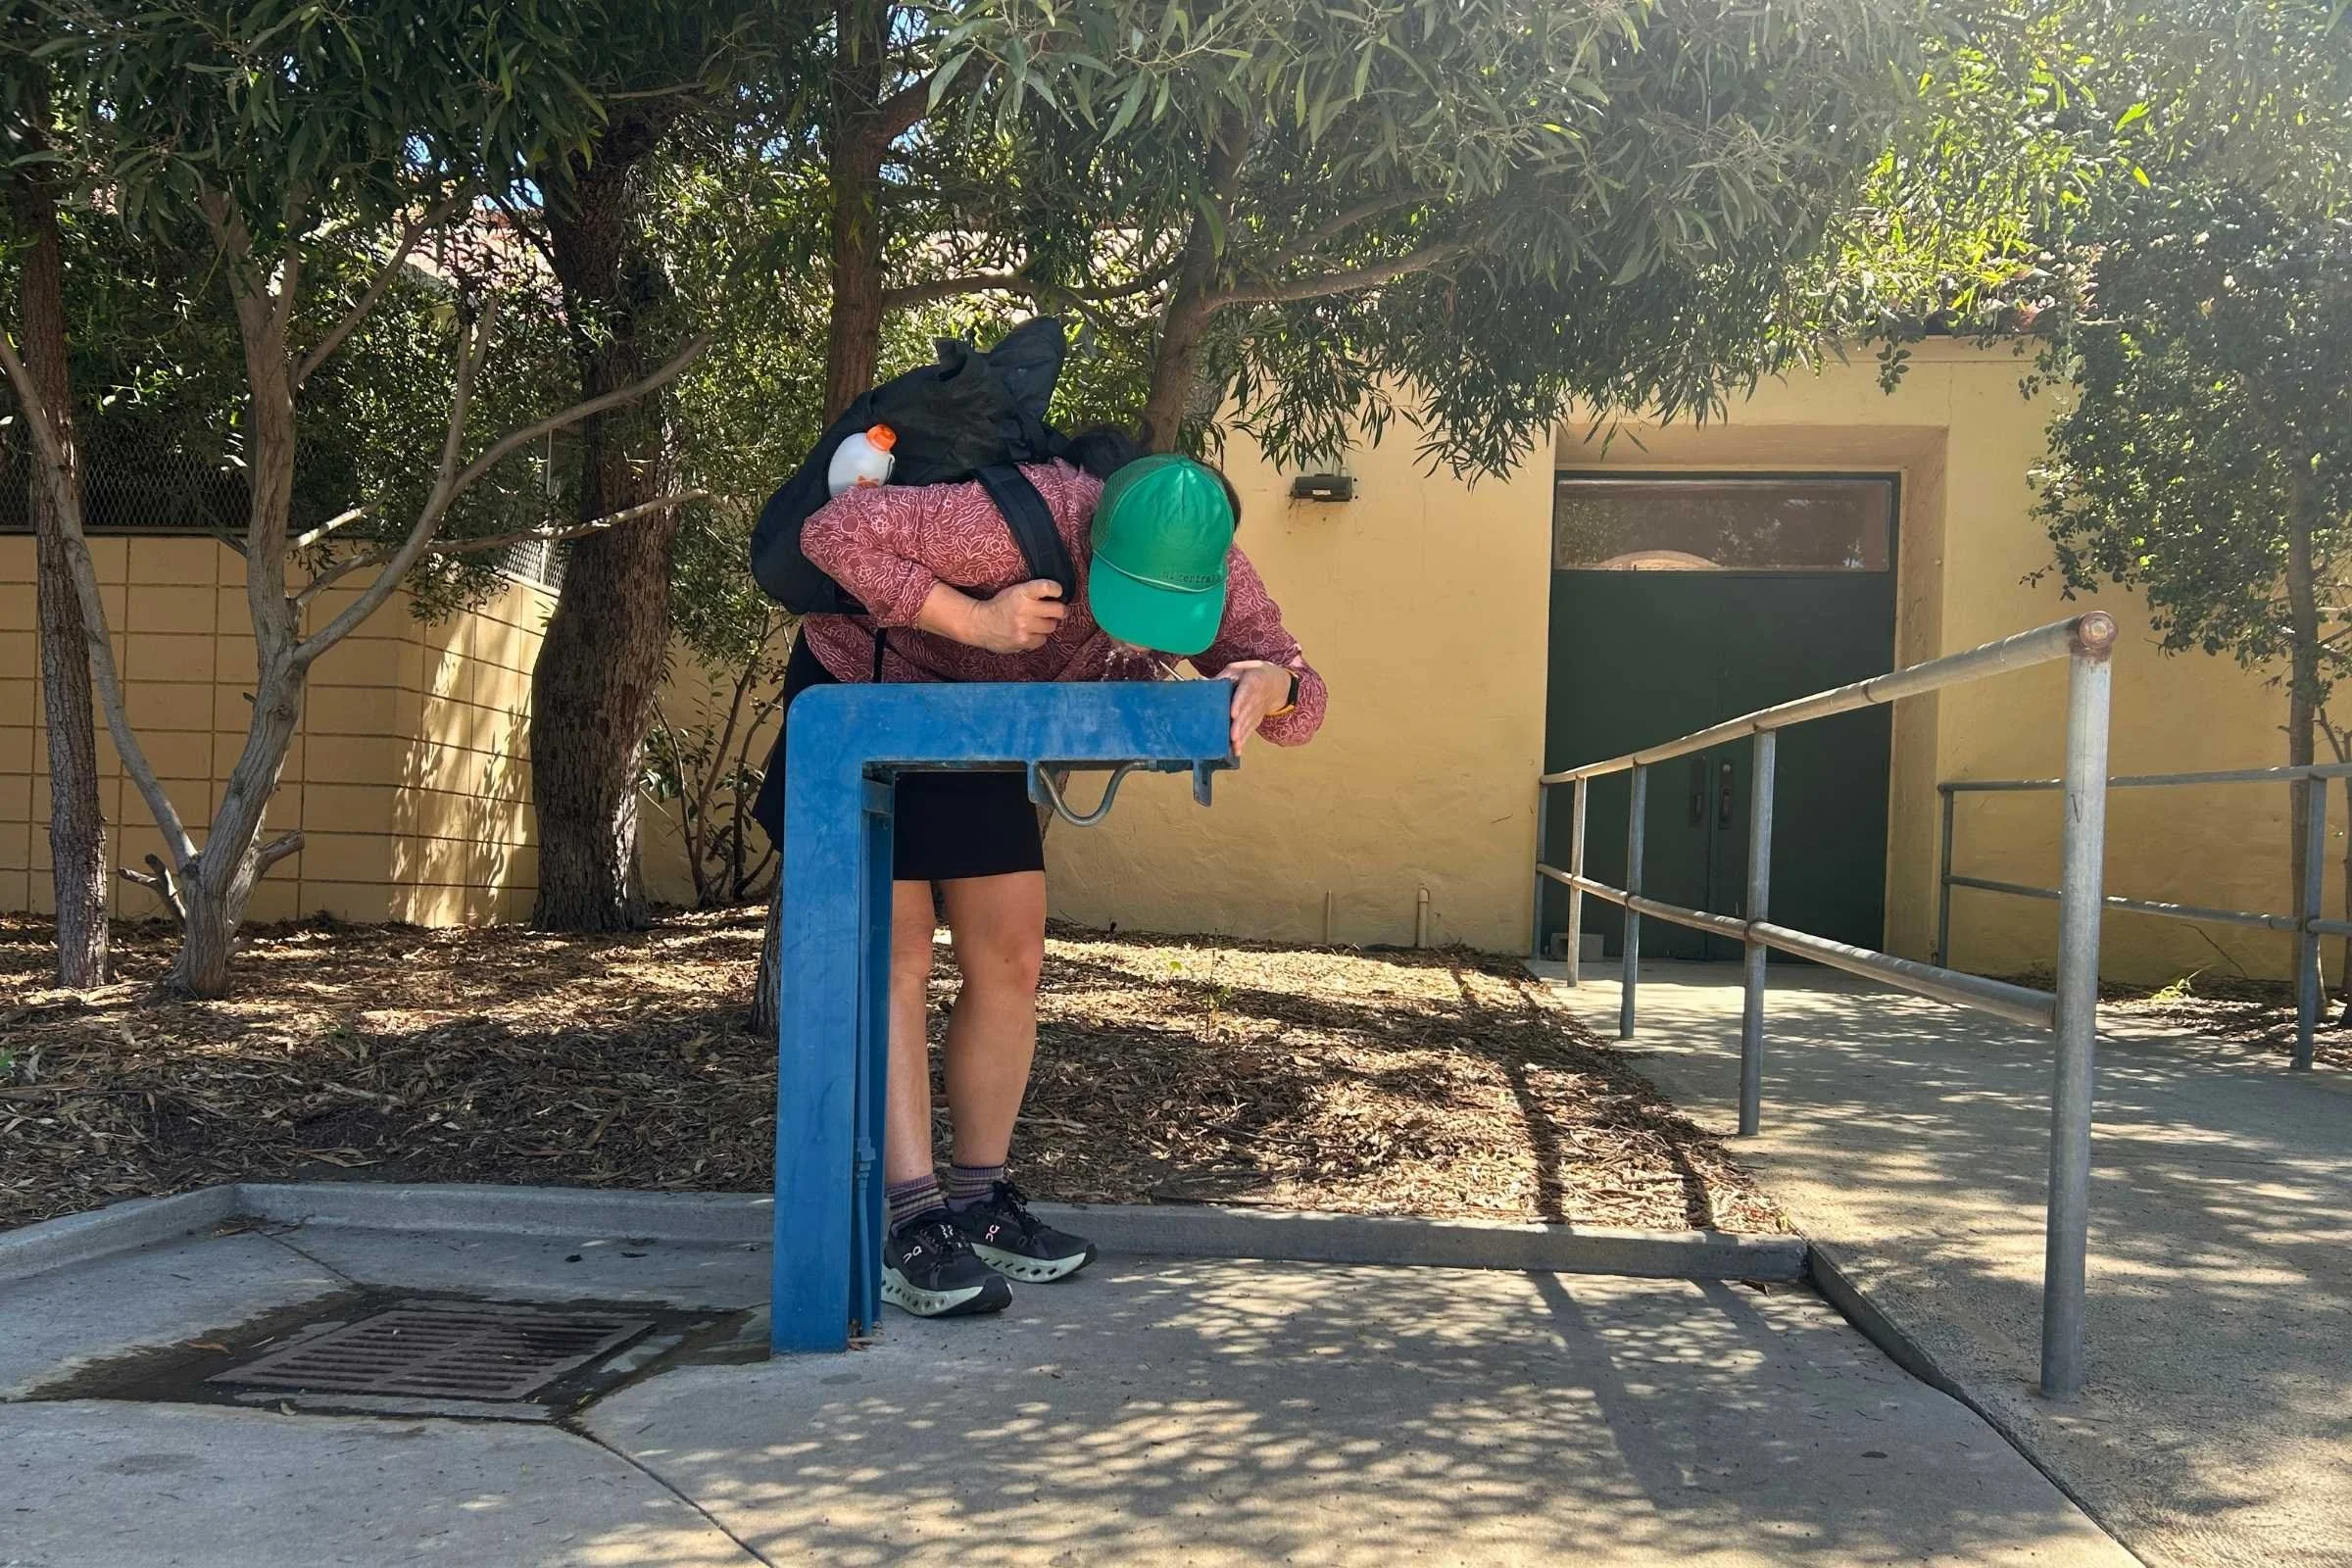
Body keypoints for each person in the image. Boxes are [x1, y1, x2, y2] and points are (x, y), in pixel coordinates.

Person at [778, 441, 1328, 1319]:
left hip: (987, 731)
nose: (1145, 634)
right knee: (898, 957)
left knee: (1013, 955)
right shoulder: (1006, 521)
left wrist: (1277, 684)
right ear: (1093, 542)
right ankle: (911, 1222)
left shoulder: (1209, 556)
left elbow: (1305, 696)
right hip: (870, 697)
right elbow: (832, 533)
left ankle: (978, 1199)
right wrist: (976, 621)